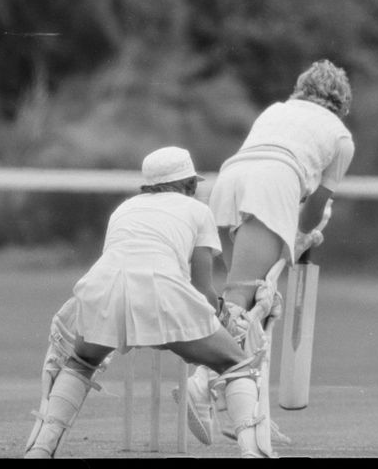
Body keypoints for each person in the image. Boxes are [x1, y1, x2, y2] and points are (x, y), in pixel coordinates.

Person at [24, 146, 276, 458]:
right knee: (236, 364)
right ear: (190, 184)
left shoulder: (124, 209)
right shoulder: (198, 210)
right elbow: (202, 291)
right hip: (163, 292)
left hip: (101, 290)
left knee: (81, 362)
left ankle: (41, 449)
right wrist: (227, 317)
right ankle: (252, 452)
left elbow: (123, 264)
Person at [179, 59, 354, 447]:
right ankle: (201, 383)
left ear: (301, 88)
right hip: (272, 185)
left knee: (250, 302)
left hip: (229, 182)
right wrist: (304, 236)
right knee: (245, 299)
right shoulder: (341, 137)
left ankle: (245, 408)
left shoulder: (277, 109)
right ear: (342, 103)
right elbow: (314, 207)